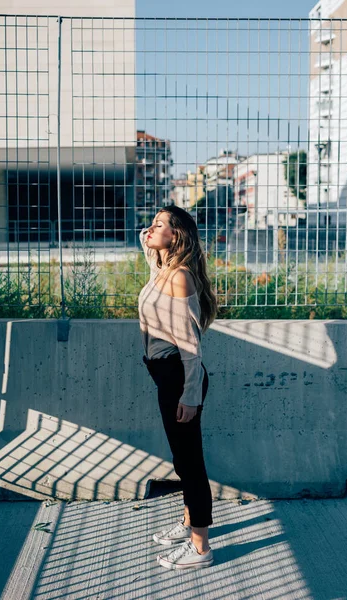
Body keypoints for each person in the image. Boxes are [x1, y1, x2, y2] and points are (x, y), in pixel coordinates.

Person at [138, 204, 218, 570]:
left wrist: (189, 395)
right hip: (166, 375)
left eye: (158, 225)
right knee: (182, 461)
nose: (149, 228)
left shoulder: (179, 277)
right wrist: (150, 244)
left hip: (178, 377)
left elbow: (190, 345)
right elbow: (153, 279)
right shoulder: (164, 271)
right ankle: (189, 523)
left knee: (191, 463)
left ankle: (201, 548)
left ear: (177, 235)